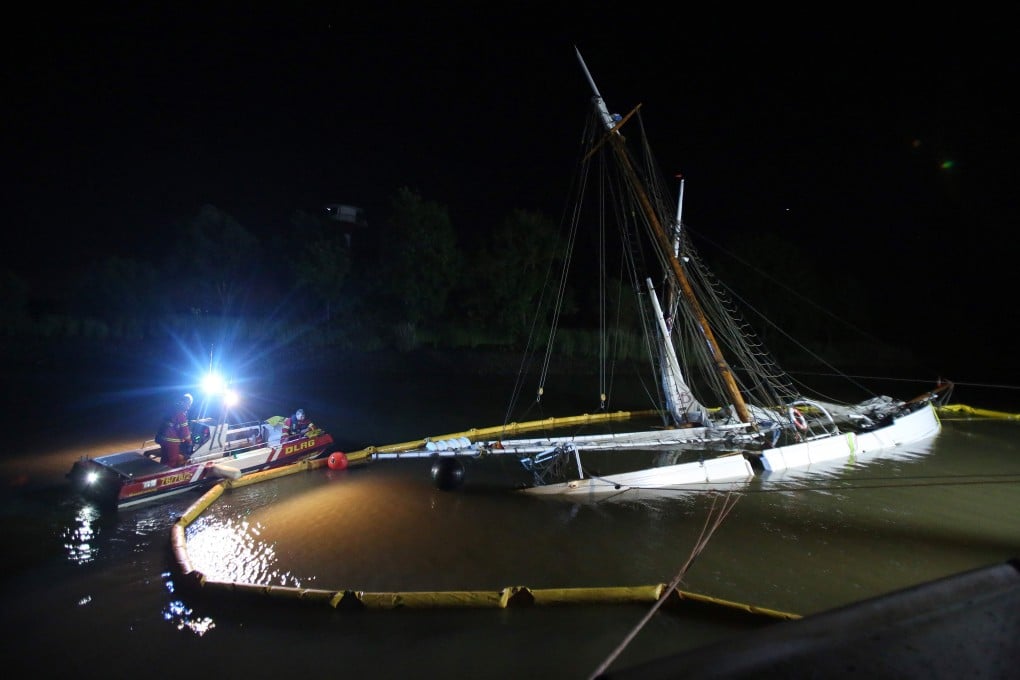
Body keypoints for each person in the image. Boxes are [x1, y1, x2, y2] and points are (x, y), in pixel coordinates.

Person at [158, 393, 193, 467]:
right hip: (171, 442)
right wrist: (190, 442)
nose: (189, 407)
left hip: (162, 439)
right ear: (184, 403)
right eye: (189, 404)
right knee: (172, 461)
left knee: (164, 459)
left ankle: (160, 471)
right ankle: (165, 476)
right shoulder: (181, 415)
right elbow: (186, 434)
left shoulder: (173, 409)